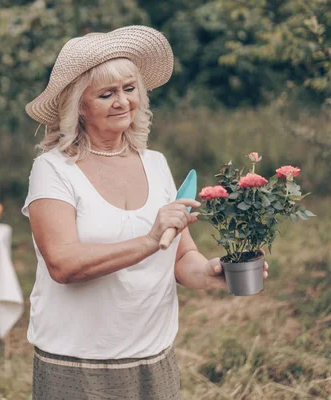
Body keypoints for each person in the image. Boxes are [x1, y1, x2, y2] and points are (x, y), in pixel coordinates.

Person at [22, 26, 268, 399]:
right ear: (79, 106)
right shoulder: (54, 169)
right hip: (78, 360)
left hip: (152, 355)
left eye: (129, 89)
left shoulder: (155, 163)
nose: (122, 101)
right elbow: (63, 264)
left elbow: (181, 253)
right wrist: (150, 239)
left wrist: (209, 272)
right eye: (106, 94)